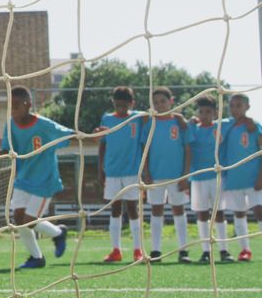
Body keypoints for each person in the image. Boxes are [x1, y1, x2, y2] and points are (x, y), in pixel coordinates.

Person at [0, 86, 71, 269]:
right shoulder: (11, 125)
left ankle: (58, 233)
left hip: (44, 181)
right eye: (10, 106)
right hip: (23, 179)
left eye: (16, 105)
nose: (13, 109)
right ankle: (36, 258)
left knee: (29, 221)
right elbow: (8, 150)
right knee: (18, 218)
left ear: (28, 105)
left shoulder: (45, 125)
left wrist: (93, 137)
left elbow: (70, 134)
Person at [140, 87, 193, 263]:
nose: (159, 105)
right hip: (155, 175)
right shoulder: (150, 124)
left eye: (162, 101)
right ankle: (155, 251)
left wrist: (185, 176)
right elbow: (144, 150)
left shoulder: (180, 123)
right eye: (155, 102)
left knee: (179, 209)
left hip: (177, 176)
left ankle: (183, 250)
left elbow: (187, 150)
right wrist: (146, 173)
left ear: (171, 101)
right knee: (156, 210)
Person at [95, 86, 147, 263]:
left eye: (124, 105)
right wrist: (100, 168)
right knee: (115, 209)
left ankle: (137, 250)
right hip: (112, 171)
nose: (121, 109)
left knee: (133, 209)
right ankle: (116, 250)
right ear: (113, 104)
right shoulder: (107, 119)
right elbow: (102, 144)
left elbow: (151, 115)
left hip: (132, 171)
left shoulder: (137, 117)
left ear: (131, 104)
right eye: (117, 105)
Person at [187, 95, 233, 263]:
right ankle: (205, 251)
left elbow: (238, 120)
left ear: (215, 113)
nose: (204, 115)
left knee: (219, 213)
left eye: (208, 111)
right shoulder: (193, 127)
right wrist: (189, 122)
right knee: (201, 214)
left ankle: (224, 250)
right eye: (201, 111)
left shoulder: (223, 126)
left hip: (217, 177)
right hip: (198, 178)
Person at [218, 93, 262, 262]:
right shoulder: (227, 126)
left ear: (247, 107)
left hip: (254, 178)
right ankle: (245, 250)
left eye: (239, 105)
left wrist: (261, 176)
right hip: (234, 179)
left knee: (259, 211)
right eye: (232, 106)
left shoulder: (254, 126)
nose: (235, 109)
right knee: (239, 213)